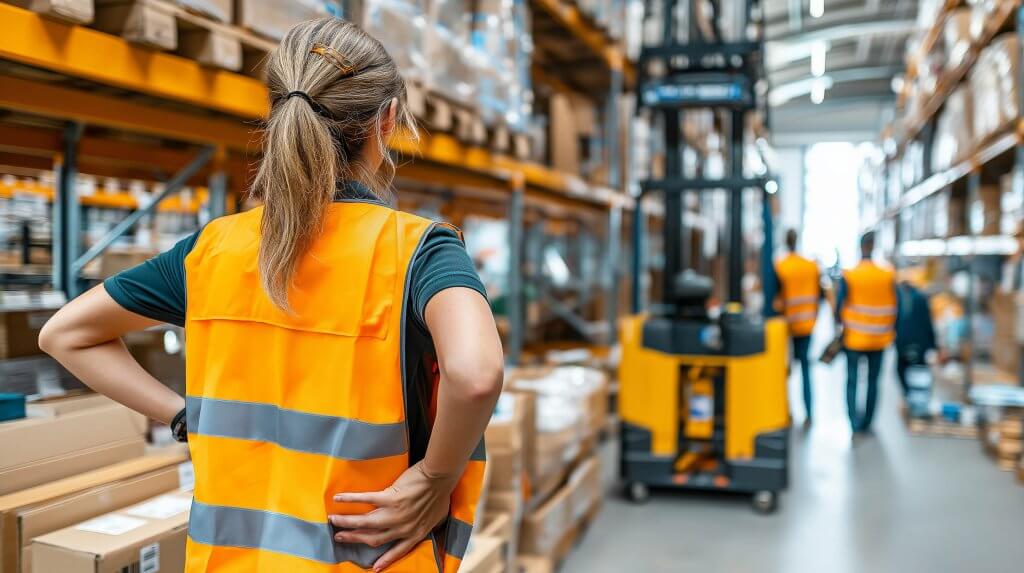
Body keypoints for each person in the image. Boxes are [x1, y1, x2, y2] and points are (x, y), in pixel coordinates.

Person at [39, 19, 503, 573]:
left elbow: (64, 335)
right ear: (387, 121)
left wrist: (185, 417)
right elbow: (475, 374)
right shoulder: (416, 250)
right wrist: (435, 476)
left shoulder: (213, 249)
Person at [835, 231, 897, 434]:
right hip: (879, 339)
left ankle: (853, 422)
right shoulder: (887, 274)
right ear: (873, 246)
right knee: (873, 381)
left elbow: (838, 306)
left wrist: (840, 325)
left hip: (854, 338)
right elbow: (899, 308)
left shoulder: (850, 275)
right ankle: (867, 423)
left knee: (852, 380)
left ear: (861, 246)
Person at [773, 229, 822, 423]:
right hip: (807, 325)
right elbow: (820, 296)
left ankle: (786, 411)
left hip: (787, 327)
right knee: (805, 369)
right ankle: (809, 413)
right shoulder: (811, 266)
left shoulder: (781, 266)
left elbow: (776, 298)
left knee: (784, 370)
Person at [895, 271, 938, 397]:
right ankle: (915, 397)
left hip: (905, 342)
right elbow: (928, 323)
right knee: (918, 371)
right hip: (919, 343)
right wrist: (932, 345)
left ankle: (910, 396)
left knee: (905, 370)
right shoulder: (919, 298)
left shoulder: (900, 299)